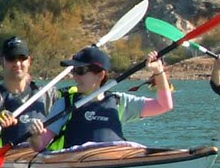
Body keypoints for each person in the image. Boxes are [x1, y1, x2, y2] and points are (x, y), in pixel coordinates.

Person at [29, 44, 173, 152]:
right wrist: (35, 136)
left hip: (113, 160)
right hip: (77, 165)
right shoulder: (65, 103)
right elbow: (39, 145)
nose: (75, 76)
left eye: (80, 71)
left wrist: (158, 71)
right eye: (74, 71)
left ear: (100, 75)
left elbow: (164, 105)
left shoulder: (120, 101)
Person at [0, 36, 47, 148]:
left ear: (29, 61)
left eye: (22, 58)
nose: (17, 64)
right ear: (2, 61)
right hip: (9, 159)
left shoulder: (46, 93)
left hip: (42, 158)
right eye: (11, 58)